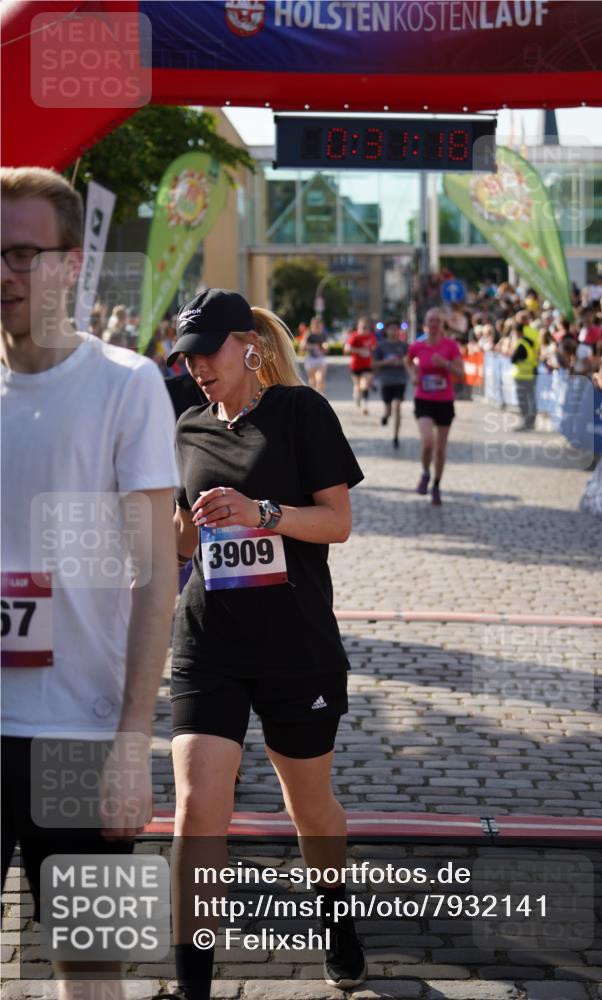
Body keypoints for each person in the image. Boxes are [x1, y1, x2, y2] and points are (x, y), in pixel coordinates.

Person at [1, 167, 179, 996]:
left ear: (71, 265)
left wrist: (133, 744)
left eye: (22, 254)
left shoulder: (126, 383)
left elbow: (153, 579)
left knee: (92, 961)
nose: (3, 272)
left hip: (84, 732)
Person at [165, 289, 366, 998]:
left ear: (246, 344)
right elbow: (182, 541)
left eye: (207, 350)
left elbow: (337, 522)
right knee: (197, 807)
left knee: (309, 808)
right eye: (185, 355)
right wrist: (187, 528)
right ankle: (193, 981)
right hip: (206, 641)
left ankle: (335, 920)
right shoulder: (186, 426)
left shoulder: (300, 411)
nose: (195, 367)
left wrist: (262, 513)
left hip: (294, 644)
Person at [405, 308, 464, 506]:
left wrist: (445, 364)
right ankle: (425, 473)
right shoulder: (417, 346)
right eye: (431, 320)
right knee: (428, 442)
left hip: (445, 401)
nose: (434, 324)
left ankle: (436, 485)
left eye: (437, 320)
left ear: (442, 324)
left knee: (440, 449)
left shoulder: (451, 346)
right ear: (425, 324)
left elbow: (461, 373)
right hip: (424, 399)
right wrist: (413, 375)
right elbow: (408, 361)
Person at [373, 320, 408, 449]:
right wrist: (386, 362)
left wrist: (402, 363)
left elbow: (410, 361)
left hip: (400, 380)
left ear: (399, 331)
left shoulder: (404, 346)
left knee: (397, 406)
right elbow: (373, 364)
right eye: (391, 329)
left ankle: (396, 437)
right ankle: (385, 416)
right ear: (386, 331)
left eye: (396, 329)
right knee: (389, 410)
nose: (393, 332)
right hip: (386, 381)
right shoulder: (381, 346)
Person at [510, 310, 541, 430]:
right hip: (533, 369)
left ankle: (526, 422)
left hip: (522, 373)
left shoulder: (522, 336)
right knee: (531, 398)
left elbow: (514, 357)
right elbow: (537, 349)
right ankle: (530, 422)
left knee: (524, 399)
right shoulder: (534, 332)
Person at [344, 316, 376, 414]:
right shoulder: (354, 336)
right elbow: (346, 349)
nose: (365, 329)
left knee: (365, 385)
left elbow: (374, 348)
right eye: (363, 327)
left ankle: (365, 406)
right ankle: (356, 395)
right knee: (357, 386)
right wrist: (359, 351)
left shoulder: (371, 336)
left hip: (367, 366)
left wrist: (372, 354)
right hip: (355, 366)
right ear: (358, 327)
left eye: (366, 327)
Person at [301, 314, 329, 395]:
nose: (317, 326)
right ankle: (313, 396)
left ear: (321, 325)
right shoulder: (308, 334)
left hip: (321, 359)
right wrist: (313, 346)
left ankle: (321, 396)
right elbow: (302, 347)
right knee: (312, 380)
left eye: (319, 324)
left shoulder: (323, 334)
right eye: (315, 324)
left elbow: (326, 347)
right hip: (310, 359)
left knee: (320, 379)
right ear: (312, 325)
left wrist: (325, 347)